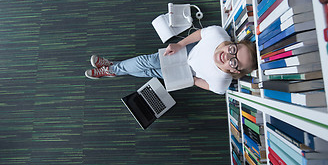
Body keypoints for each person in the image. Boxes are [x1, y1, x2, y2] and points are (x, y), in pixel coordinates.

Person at [85, 25, 257, 94]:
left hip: (187, 72)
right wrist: (180, 45)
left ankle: (112, 68)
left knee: (150, 71)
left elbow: (204, 84)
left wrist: (192, 79)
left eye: (233, 61)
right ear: (232, 43)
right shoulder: (218, 34)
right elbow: (199, 34)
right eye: (233, 49)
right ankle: (112, 69)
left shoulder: (222, 83)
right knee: (149, 61)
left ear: (235, 71)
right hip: (187, 51)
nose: (227, 55)